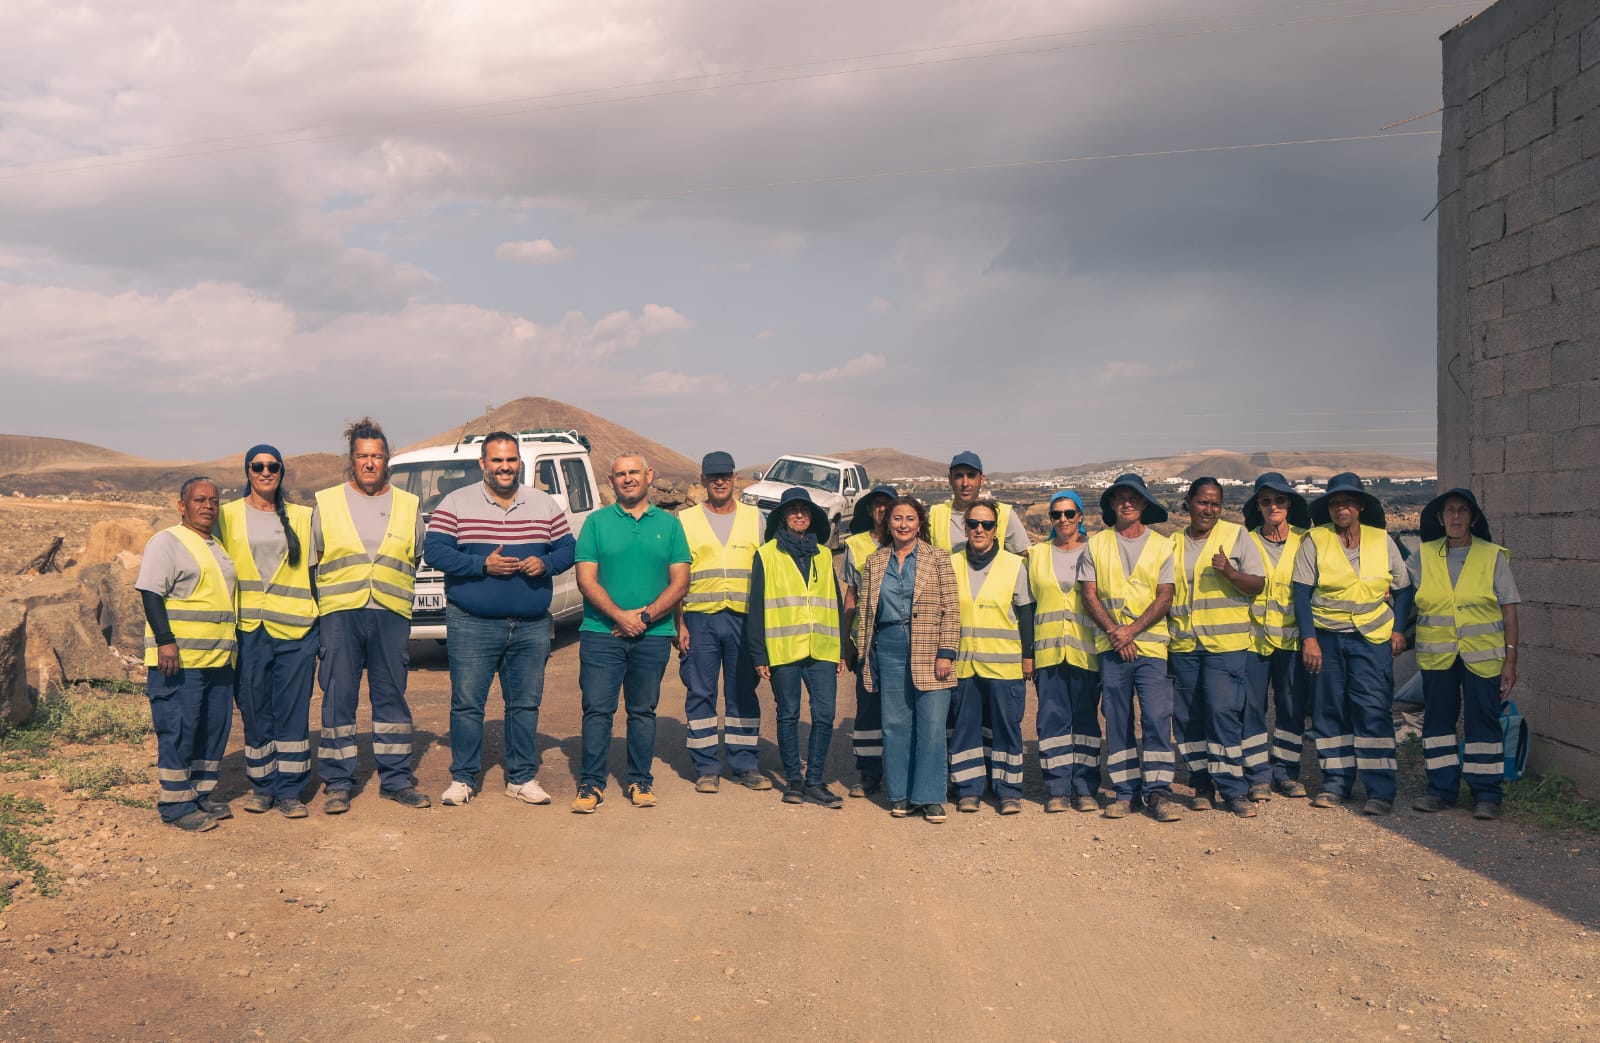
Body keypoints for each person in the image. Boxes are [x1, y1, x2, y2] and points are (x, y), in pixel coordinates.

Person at [424, 431, 575, 808]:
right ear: (483, 464)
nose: (505, 467)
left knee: (524, 704)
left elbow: (569, 548)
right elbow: (434, 550)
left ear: (519, 462)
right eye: (497, 460)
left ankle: (522, 777)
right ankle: (463, 778)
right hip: (472, 622)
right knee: (467, 704)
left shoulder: (543, 504)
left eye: (511, 460)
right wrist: (481, 565)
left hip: (531, 623)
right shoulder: (456, 502)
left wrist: (546, 563)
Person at [311, 417, 431, 813]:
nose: (369, 463)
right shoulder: (325, 502)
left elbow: (414, 555)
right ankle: (337, 782)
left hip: (390, 615)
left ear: (386, 461)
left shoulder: (409, 504)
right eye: (362, 456)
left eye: (376, 457)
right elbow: (315, 563)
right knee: (338, 700)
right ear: (351, 459)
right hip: (340, 616)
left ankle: (395, 779)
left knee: (391, 698)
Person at [572, 453, 691, 813]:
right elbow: (585, 579)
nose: (627, 479)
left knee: (642, 711)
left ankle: (640, 780)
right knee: (597, 710)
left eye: (634, 473)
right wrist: (619, 617)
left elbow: (681, 581)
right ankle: (591, 784)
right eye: (620, 474)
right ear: (611, 481)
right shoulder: (595, 523)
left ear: (649, 476)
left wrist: (644, 616)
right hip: (600, 632)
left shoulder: (670, 526)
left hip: (652, 635)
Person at [1292, 472, 1413, 816]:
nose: (1341, 508)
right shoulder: (1315, 539)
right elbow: (1301, 593)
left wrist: (1399, 630)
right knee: (1329, 711)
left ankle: (1379, 790)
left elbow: (1403, 589)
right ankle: (1336, 784)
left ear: (1360, 506)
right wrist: (1309, 639)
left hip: (1371, 639)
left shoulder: (1382, 540)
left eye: (1347, 501)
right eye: (1334, 502)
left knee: (1373, 709)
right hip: (1327, 638)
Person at [214, 446, 318, 819]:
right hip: (248, 631)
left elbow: (315, 574)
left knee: (292, 711)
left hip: (296, 630)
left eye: (272, 466)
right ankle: (262, 787)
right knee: (255, 710)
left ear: (281, 472)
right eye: (257, 466)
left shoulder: (304, 517)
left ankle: (290, 790)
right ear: (247, 471)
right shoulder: (225, 516)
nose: (265, 471)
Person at [1407, 488, 1520, 820]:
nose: (1455, 516)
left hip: (1483, 656)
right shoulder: (1422, 556)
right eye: (1449, 511)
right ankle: (1440, 790)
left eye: (1462, 511)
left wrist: (1510, 660)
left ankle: (1486, 794)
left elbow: (1509, 612)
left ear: (1473, 518)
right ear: (1440, 519)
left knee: (1482, 722)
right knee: (1438, 721)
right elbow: (1399, 595)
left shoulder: (1492, 555)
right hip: (1437, 655)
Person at [136, 477, 238, 832]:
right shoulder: (167, 542)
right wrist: (165, 639)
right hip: (179, 661)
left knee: (212, 730)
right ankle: (176, 805)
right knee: (179, 729)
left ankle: (200, 794)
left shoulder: (216, 546)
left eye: (213, 499)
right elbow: (150, 592)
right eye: (199, 499)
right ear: (182, 506)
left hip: (217, 660)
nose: (208, 505)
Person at [1079, 473, 1182, 822]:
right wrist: (1114, 632)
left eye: (1134, 498)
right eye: (1120, 497)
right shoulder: (1096, 544)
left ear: (1144, 504)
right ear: (1111, 504)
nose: (1127, 502)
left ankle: (1158, 792)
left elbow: (1165, 596)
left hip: (1151, 648)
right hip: (1111, 648)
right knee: (1118, 721)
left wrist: (1132, 632)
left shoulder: (1162, 545)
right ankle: (1124, 792)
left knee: (1156, 718)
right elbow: (1088, 594)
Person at [853, 496, 960, 822]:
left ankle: (929, 797)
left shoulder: (938, 559)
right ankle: (899, 795)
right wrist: (863, 652)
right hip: (889, 648)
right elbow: (866, 610)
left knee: (930, 725)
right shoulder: (875, 561)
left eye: (910, 519)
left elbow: (952, 610)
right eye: (897, 518)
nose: (902, 524)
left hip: (929, 649)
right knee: (895, 725)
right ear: (888, 523)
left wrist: (946, 652)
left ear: (920, 523)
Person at [1167, 478, 1266, 818]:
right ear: (1189, 503)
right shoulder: (1174, 542)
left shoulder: (1238, 535)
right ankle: (1201, 784)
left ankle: (1232, 789)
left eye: (1215, 504)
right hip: (1183, 644)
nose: (1208, 509)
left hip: (1225, 645)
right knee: (1188, 717)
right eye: (1202, 502)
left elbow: (1257, 584)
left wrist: (1231, 573)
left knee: (1222, 713)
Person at [744, 488, 846, 808]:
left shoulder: (825, 554)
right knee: (788, 714)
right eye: (793, 510)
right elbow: (757, 606)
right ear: (783, 517)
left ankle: (814, 780)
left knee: (825, 713)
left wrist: (841, 648)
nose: (799, 515)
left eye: (805, 510)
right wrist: (759, 653)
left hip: (823, 649)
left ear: (812, 516)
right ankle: (794, 781)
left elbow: (836, 601)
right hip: (784, 649)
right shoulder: (766, 554)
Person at [674, 452, 769, 794]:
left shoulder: (755, 518)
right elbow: (675, 577)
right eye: (712, 477)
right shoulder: (684, 521)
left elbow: (767, 574)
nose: (719, 482)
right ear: (702, 481)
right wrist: (678, 623)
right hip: (699, 619)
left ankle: (745, 763)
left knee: (743, 691)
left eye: (725, 476)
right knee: (700, 691)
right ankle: (706, 766)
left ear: (734, 479)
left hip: (743, 620)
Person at [948, 501, 1034, 814]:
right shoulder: (951, 562)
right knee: (965, 727)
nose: (979, 530)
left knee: (1006, 728)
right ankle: (968, 789)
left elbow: (1025, 613)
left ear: (996, 529)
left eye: (986, 524)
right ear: (966, 527)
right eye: (973, 524)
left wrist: (1028, 656)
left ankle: (1008, 790)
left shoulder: (1014, 565)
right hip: (964, 665)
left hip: (1004, 664)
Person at [1027, 490, 1102, 813]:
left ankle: (1085, 787)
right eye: (1056, 515)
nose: (1063, 520)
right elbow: (1027, 608)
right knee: (1051, 721)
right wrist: (1027, 653)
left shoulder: (1096, 551)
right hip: (1049, 653)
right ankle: (1057, 787)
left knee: (1085, 721)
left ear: (1081, 517)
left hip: (1087, 653)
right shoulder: (1036, 555)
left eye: (1069, 514)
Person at [1242, 472, 1314, 799]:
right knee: (1252, 708)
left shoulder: (1306, 541)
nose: (1274, 506)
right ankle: (1257, 775)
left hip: (1293, 641)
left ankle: (1286, 772)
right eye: (1266, 501)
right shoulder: (1246, 541)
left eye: (1280, 500)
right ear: (1258, 506)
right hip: (1253, 639)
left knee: (1290, 706)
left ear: (1289, 505)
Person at [840, 484, 898, 798]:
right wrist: (845, 640)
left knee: (902, 708)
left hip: (903, 641)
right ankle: (869, 774)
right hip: (867, 640)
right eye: (876, 505)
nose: (881, 509)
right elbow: (851, 594)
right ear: (869, 510)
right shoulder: (856, 545)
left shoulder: (909, 542)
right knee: (868, 710)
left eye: (887, 504)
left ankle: (902, 773)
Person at [927, 451, 1030, 555]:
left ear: (981, 479)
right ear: (950, 479)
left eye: (971, 476)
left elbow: (1023, 557)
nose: (965, 483)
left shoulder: (1004, 514)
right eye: (959, 476)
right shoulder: (936, 514)